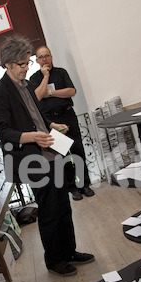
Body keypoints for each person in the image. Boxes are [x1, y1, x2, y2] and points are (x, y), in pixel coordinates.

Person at [0, 35, 95, 276]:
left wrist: (51, 125)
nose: (28, 67)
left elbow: (36, 116)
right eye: (22, 64)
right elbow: (4, 132)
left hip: (51, 151)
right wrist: (33, 136)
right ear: (7, 64)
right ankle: (54, 260)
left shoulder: (25, 86)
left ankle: (69, 252)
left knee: (63, 206)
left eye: (28, 63)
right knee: (48, 211)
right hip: (32, 158)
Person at [29, 46, 95, 201]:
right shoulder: (34, 79)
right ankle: (72, 188)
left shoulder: (61, 72)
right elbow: (37, 97)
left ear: (51, 57)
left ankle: (84, 184)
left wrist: (50, 93)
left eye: (47, 55)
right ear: (37, 61)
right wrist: (45, 77)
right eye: (41, 57)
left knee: (78, 151)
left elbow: (71, 91)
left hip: (67, 116)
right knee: (63, 155)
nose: (45, 59)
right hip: (51, 122)